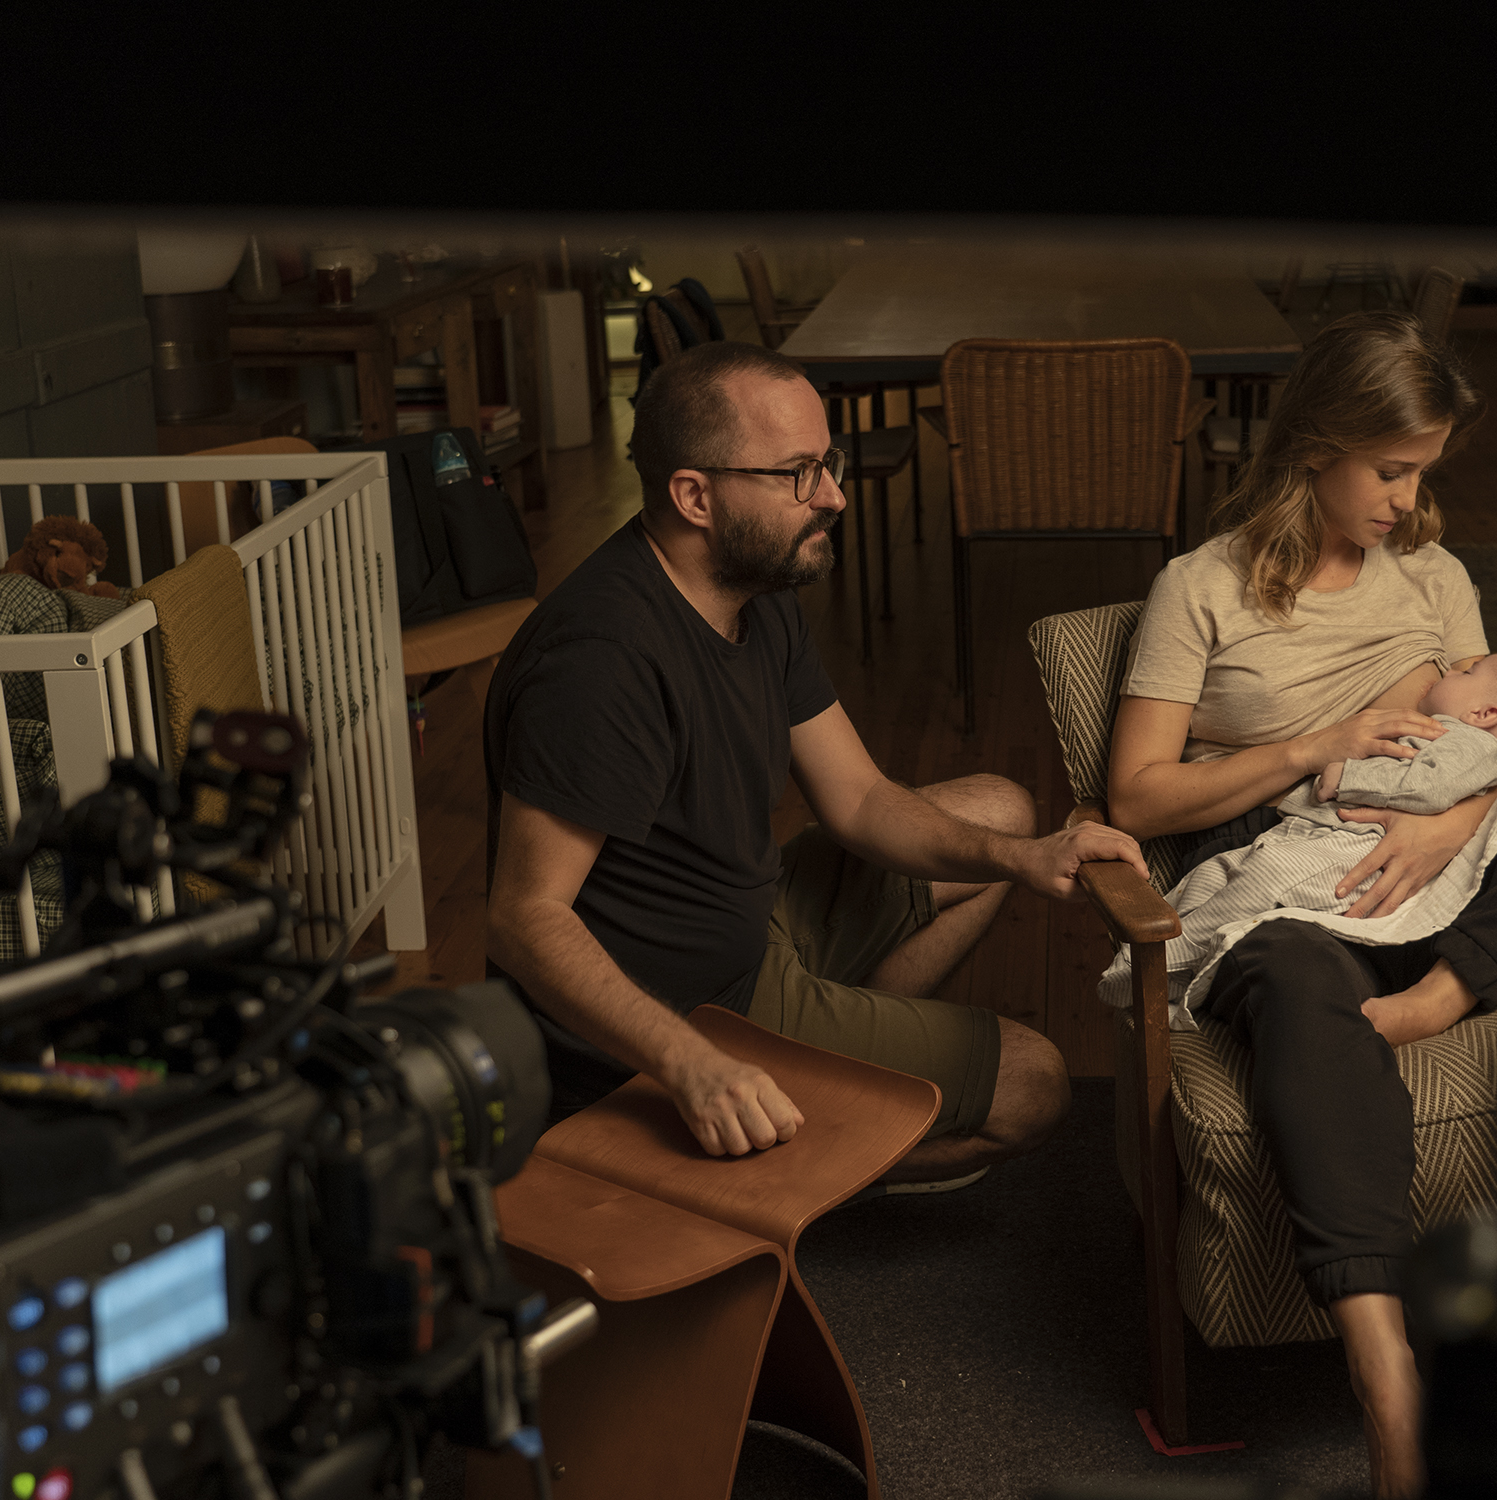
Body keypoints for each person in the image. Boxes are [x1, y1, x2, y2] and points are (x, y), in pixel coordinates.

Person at [1104, 311, 1497, 1497]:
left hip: (1452, 876)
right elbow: (1138, 792)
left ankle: (1450, 990)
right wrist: (1317, 741)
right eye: (1391, 469)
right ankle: (1388, 1380)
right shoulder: (1200, 588)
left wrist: (1449, 825)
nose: (1406, 499)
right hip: (1301, 881)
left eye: (1422, 471)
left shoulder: (1434, 574)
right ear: (1317, 444)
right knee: (1289, 972)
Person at [482, 340, 1145, 1188]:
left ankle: (823, 1077)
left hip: (749, 926)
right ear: (695, 495)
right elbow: (525, 917)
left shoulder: (751, 589)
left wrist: (1026, 857)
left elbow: (862, 799)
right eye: (798, 473)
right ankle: (736, 1158)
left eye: (826, 462)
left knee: (1002, 811)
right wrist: (690, 1064)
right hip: (674, 1016)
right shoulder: (602, 660)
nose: (833, 495)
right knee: (1033, 1083)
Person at [1105, 654, 1497, 1001]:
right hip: (1299, 831)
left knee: (1260, 886)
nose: (1452, 667)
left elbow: (1430, 787)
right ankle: (1171, 965)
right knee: (1215, 876)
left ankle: (1155, 968)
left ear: (1484, 715)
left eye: (1466, 673)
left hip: (1348, 849)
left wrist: (1348, 775)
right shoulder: (1446, 732)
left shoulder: (1470, 744)